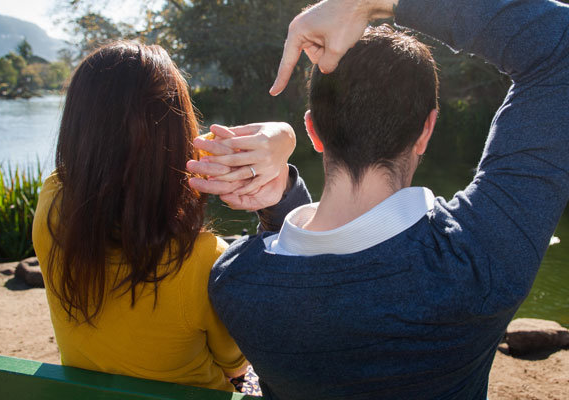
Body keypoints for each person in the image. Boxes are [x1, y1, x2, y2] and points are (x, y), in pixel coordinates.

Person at [203, 0, 569, 399]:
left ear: (312, 130)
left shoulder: (235, 284)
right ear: (426, 130)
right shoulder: (480, 262)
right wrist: (375, 4)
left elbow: (319, 286)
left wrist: (282, 206)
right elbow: (560, 44)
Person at [32, 40, 305, 392]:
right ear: (180, 132)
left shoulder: (53, 202)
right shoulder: (203, 259)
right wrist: (286, 137)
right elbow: (235, 362)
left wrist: (283, 136)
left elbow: (135, 162)